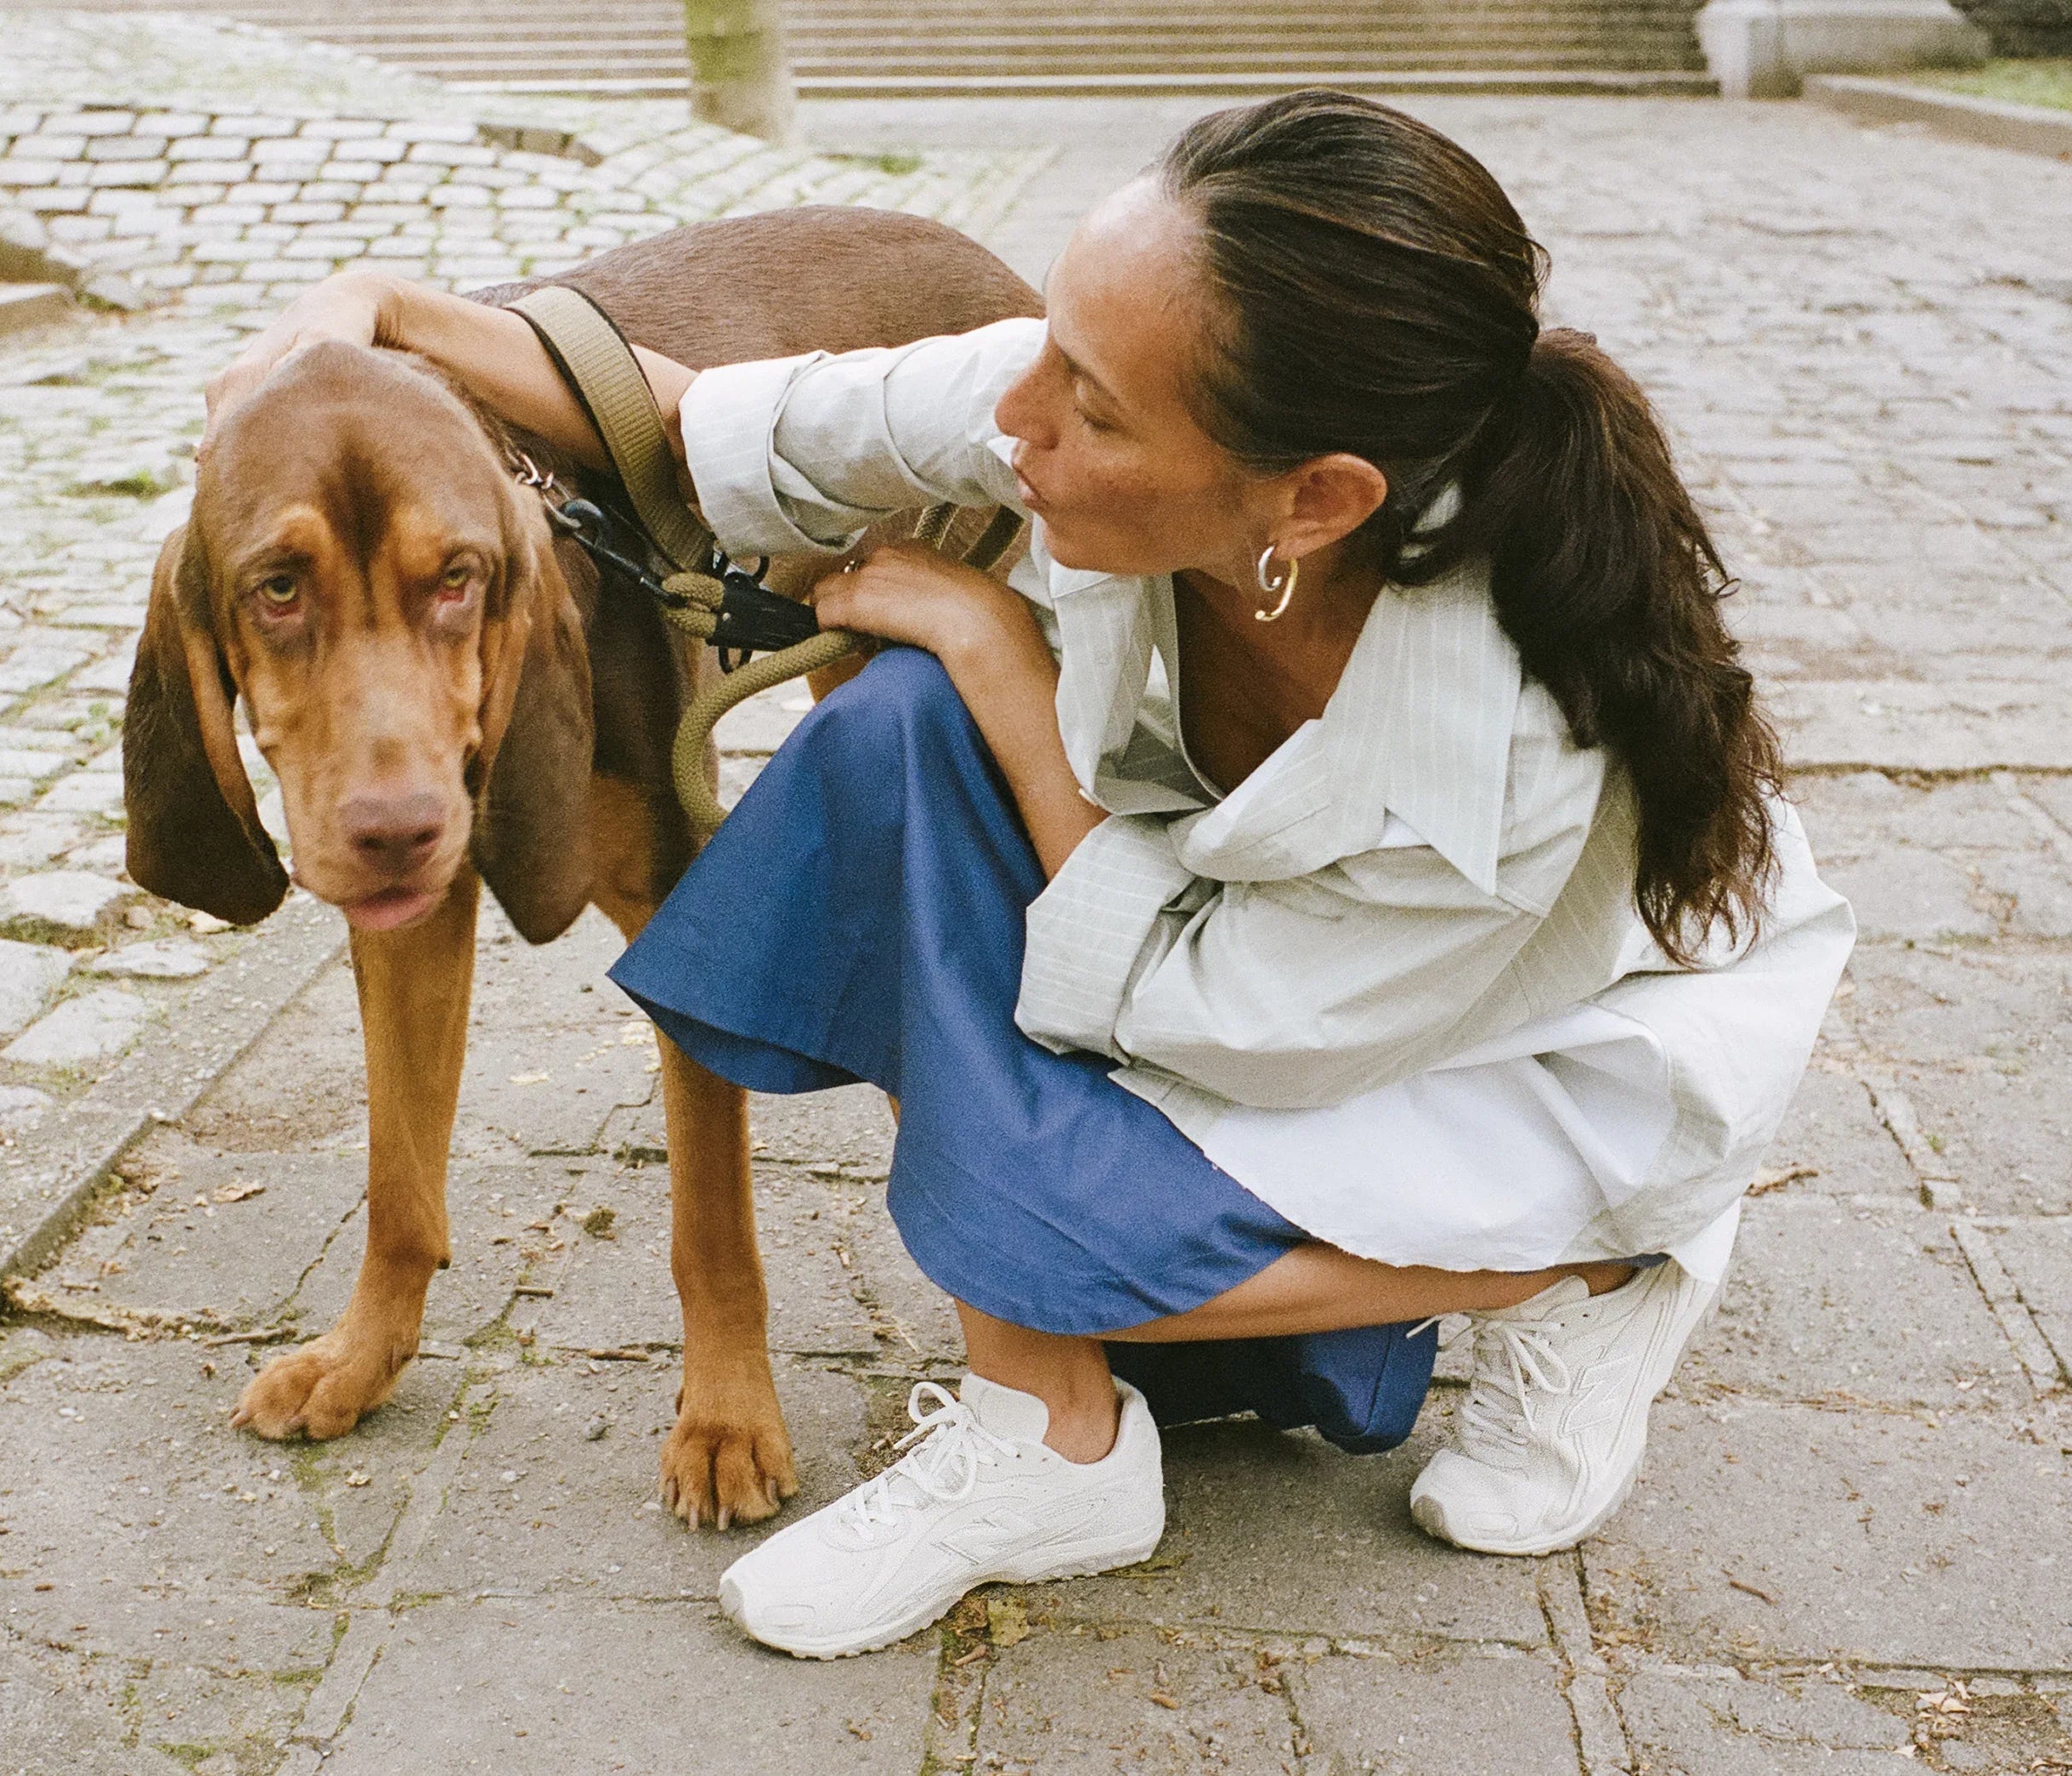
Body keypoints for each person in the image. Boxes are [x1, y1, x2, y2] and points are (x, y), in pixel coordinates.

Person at [213, 91, 1854, 1663]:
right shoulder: (1080, 401)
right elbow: (728, 421)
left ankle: (1601, 1265)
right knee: (882, 746)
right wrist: (384, 309)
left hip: (1477, 1061)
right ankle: (1054, 1435)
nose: (1013, 425)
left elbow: (1213, 1020)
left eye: (1094, 407)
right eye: (1047, 347)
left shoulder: (1503, 754)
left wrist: (998, 651)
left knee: (1046, 1218)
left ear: (1312, 501)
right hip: (1224, 955)